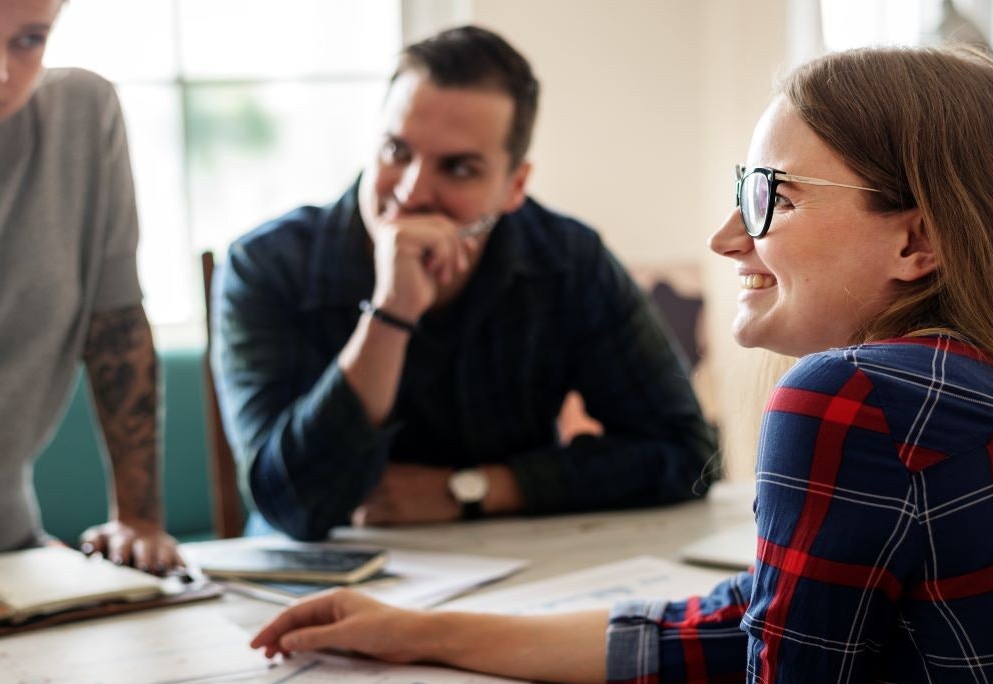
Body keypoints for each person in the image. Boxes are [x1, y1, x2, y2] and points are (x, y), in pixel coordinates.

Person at [249, 46, 993, 684]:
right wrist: (423, 632)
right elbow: (753, 618)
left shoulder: (851, 397)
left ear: (916, 243)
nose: (727, 236)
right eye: (742, 189)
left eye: (771, 196)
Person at [212, 25, 720, 541]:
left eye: (457, 168)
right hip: (314, 583)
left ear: (514, 186)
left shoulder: (566, 260)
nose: (412, 192)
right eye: (396, 150)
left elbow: (686, 454)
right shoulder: (266, 264)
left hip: (510, 570)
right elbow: (290, 505)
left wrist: (472, 489)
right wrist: (391, 312)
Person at [0, 0, 181, 661]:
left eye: (29, 40)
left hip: (6, 561)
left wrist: (140, 519)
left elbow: (115, 327)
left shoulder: (83, 117)